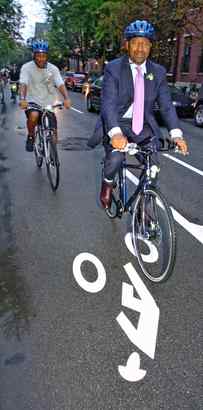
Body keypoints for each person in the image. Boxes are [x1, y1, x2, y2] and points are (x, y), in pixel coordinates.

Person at [88, 20, 188, 209]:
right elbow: (108, 104)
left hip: (142, 125)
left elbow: (166, 106)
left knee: (153, 166)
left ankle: (144, 207)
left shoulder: (158, 72)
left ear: (150, 46)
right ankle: (107, 182)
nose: (140, 48)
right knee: (116, 158)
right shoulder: (114, 68)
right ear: (127, 45)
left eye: (145, 43)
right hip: (116, 122)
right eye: (135, 43)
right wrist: (116, 134)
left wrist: (177, 134)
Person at [19, 39, 71, 152]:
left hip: (48, 102)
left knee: (54, 137)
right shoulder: (26, 67)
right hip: (32, 101)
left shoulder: (53, 69)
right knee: (34, 115)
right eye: (38, 55)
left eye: (43, 55)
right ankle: (31, 136)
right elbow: (23, 83)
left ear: (47, 56)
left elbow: (60, 84)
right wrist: (22, 99)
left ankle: (52, 156)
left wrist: (66, 98)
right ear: (34, 55)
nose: (40, 58)